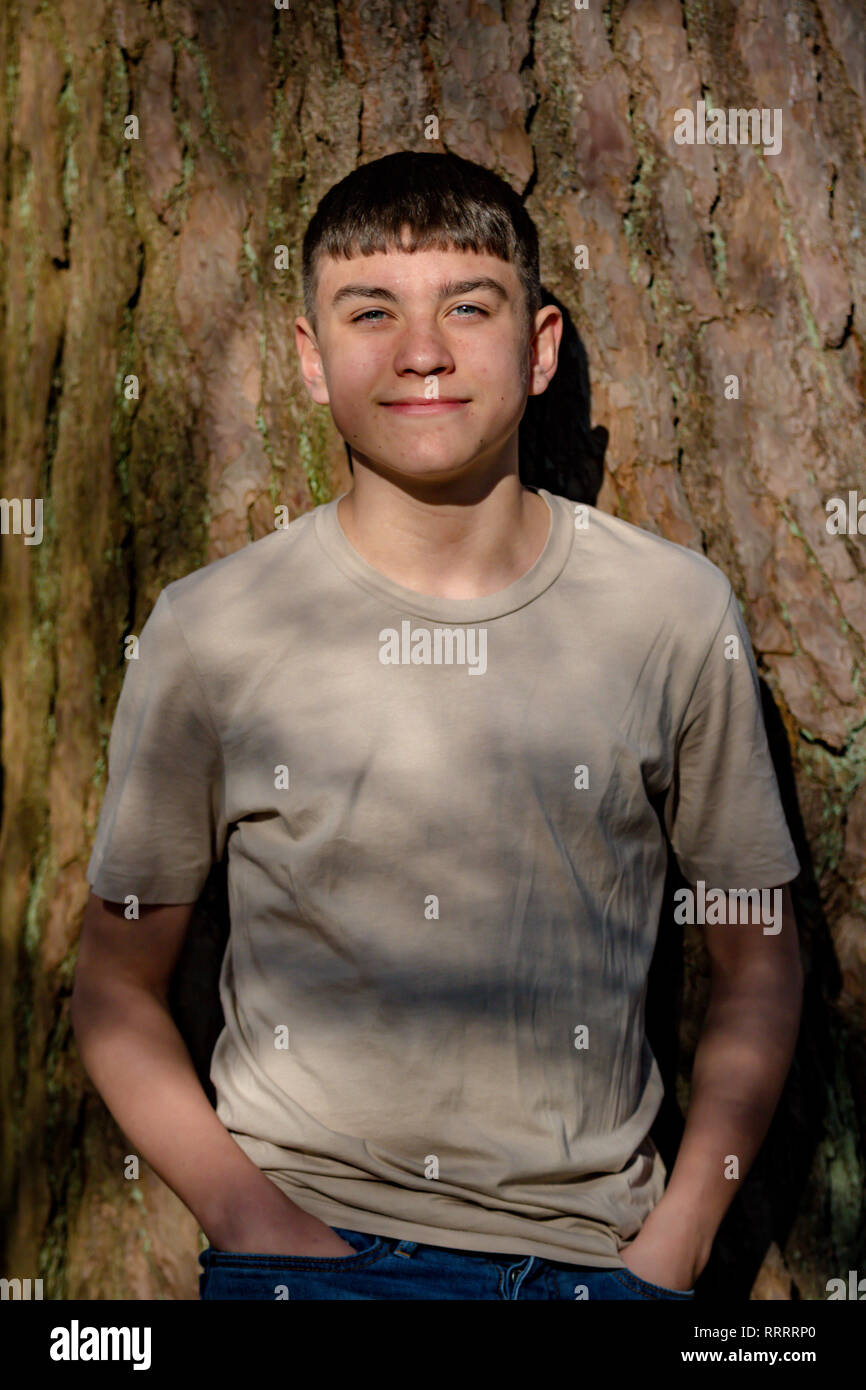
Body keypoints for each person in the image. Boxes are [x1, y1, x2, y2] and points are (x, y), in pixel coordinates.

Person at [72, 151, 803, 1302]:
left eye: (469, 305)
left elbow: (755, 952)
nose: (421, 350)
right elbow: (113, 983)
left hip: (591, 1266)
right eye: (371, 312)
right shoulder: (212, 628)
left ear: (540, 346)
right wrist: (250, 1219)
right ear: (311, 360)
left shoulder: (668, 610)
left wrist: (678, 1241)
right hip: (308, 1256)